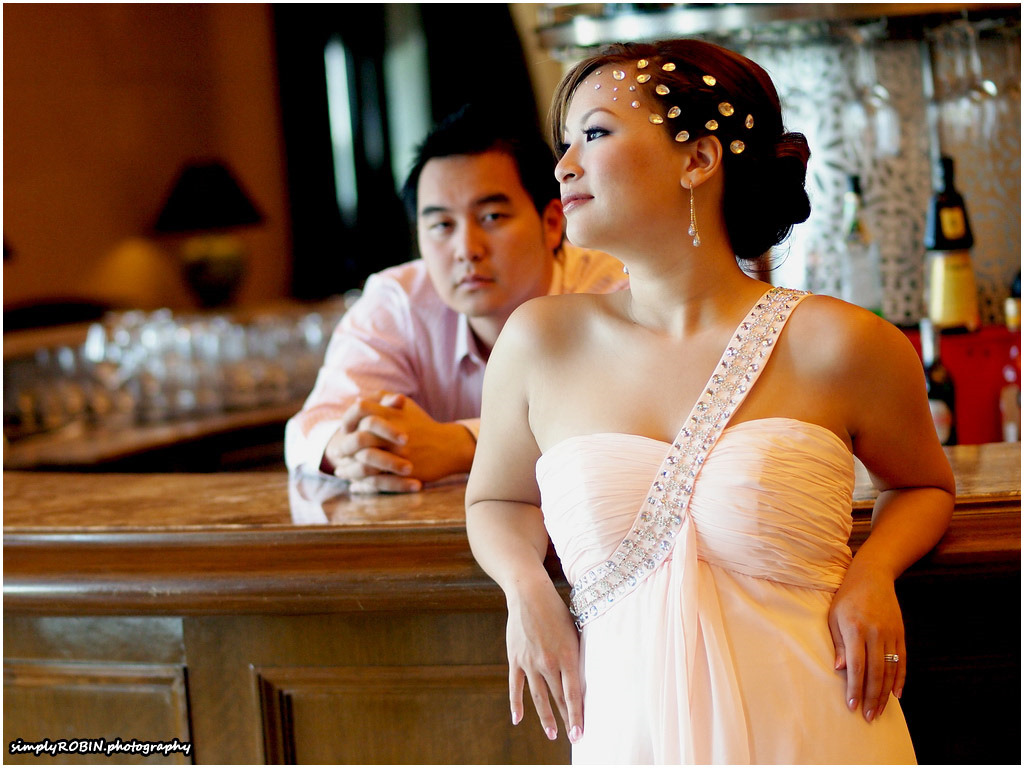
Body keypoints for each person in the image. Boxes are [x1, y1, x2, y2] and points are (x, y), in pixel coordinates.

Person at [465, 39, 955, 764]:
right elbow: (496, 500)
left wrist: (875, 570)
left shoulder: (844, 343)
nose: (564, 165)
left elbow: (923, 486)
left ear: (698, 159)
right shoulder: (541, 341)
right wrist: (524, 588)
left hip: (816, 726)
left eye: (594, 134)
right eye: (565, 143)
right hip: (630, 735)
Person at [285, 105, 626, 492]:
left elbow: (631, 422)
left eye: (492, 217)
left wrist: (460, 446)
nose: (466, 249)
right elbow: (313, 426)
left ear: (551, 223)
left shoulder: (616, 288)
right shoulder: (399, 301)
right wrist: (350, 447)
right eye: (442, 225)